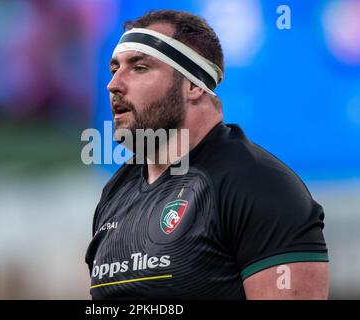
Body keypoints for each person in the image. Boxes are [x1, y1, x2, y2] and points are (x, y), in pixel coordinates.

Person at [85, 9, 329, 299]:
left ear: (193, 85)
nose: (114, 85)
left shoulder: (259, 185)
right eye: (115, 69)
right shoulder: (115, 194)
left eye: (139, 68)